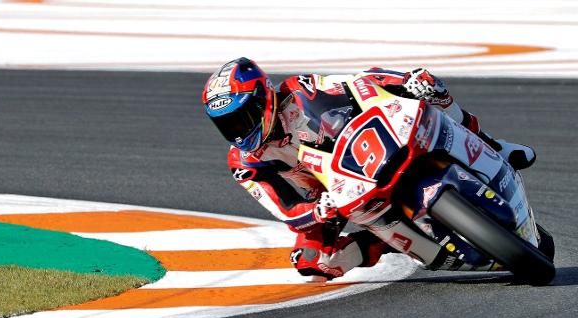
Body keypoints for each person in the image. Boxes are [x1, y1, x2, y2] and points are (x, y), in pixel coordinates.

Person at [201, 57, 536, 280]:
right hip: (332, 198)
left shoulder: (301, 89)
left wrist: (406, 79)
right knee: (314, 262)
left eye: (245, 115)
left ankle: (493, 144)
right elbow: (285, 210)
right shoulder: (245, 162)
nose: (240, 130)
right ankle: (392, 242)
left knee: (429, 93)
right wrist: (318, 210)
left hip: (368, 145)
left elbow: (359, 82)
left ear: (265, 96)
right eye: (227, 125)